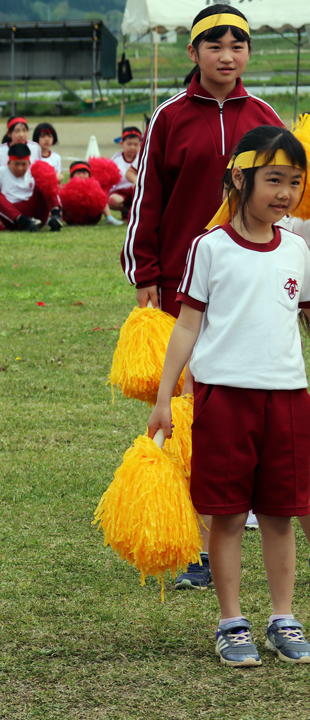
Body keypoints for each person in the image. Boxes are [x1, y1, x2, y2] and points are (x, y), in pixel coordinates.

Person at [120, 4, 284, 590]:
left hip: (247, 287)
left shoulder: (264, 119)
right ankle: (185, 535)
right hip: (179, 288)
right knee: (186, 409)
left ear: (247, 54)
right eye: (214, 45)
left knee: (233, 407)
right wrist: (145, 267)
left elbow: (284, 201)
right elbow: (149, 198)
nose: (227, 56)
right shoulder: (170, 118)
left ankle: (226, 530)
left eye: (237, 46)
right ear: (194, 53)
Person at [146, 125, 310, 666]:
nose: (285, 193)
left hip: (288, 397)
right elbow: (187, 327)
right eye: (273, 180)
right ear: (240, 179)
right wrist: (165, 396)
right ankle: (231, 621)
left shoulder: (298, 249)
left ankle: (283, 618)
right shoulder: (209, 247)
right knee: (228, 515)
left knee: (282, 515)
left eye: (294, 182)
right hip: (225, 399)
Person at [0, 143, 63, 231]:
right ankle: (26, 222)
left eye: (24, 164)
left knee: (46, 180)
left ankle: (56, 215)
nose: (20, 168)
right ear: (8, 163)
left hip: (35, 213)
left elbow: (51, 188)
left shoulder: (34, 171)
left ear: (29, 163)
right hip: (13, 216)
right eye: (16, 164)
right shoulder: (0, 172)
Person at [65, 161, 122, 226]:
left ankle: (109, 218)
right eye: (78, 173)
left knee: (100, 194)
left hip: (92, 218)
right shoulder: (67, 187)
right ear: (71, 176)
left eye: (84, 173)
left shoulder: (95, 186)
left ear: (89, 175)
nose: (81, 176)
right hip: (72, 219)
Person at [108, 127, 142, 218]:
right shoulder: (116, 159)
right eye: (129, 144)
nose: (132, 147)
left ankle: (136, 213)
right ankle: (126, 210)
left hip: (136, 189)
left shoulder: (142, 158)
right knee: (111, 201)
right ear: (122, 144)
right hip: (120, 192)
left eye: (136, 144)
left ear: (141, 145)